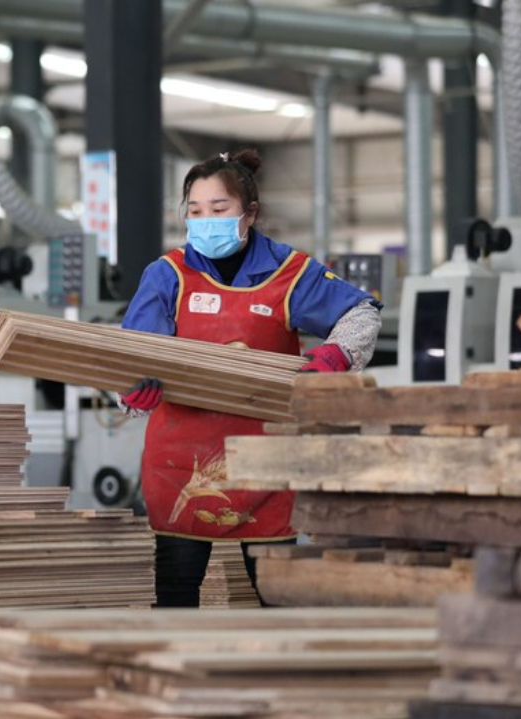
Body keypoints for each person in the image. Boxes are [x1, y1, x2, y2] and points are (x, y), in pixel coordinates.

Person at [119, 149, 381, 608]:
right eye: (195, 212)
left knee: (277, 595)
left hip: (268, 460)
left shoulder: (290, 273)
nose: (206, 221)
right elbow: (137, 351)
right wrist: (132, 384)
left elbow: (360, 312)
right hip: (182, 461)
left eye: (219, 210)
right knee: (176, 594)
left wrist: (336, 354)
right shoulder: (167, 276)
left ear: (249, 213)